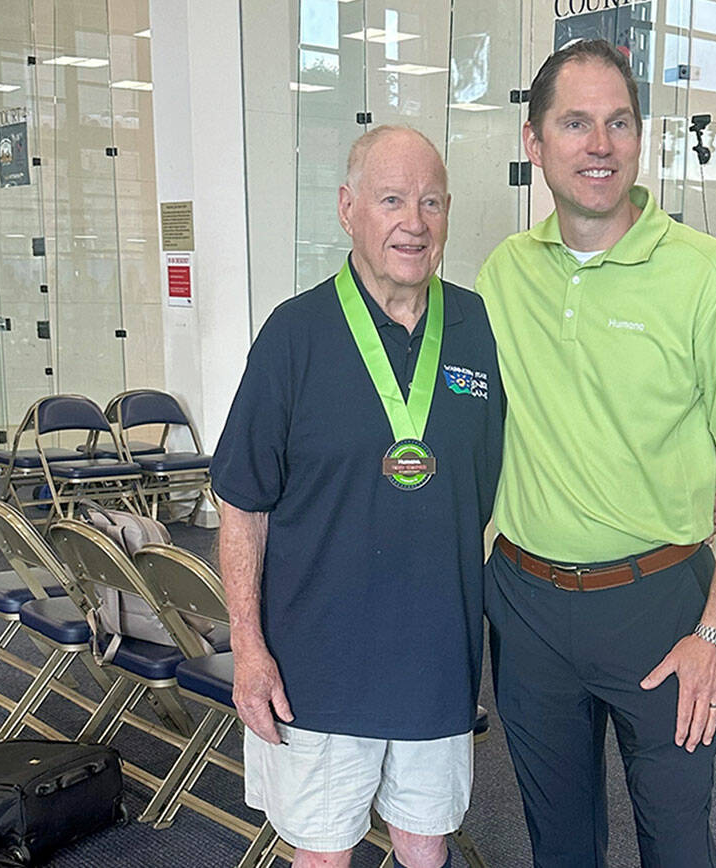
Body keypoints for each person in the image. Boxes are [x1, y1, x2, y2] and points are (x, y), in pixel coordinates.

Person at [475, 39, 716, 868]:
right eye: (575, 123)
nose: (600, 145)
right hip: (527, 605)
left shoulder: (710, 276)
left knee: (677, 843)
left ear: (641, 139)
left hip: (660, 605)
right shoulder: (504, 274)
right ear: (534, 141)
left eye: (619, 123)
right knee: (559, 844)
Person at [211, 126, 504, 868]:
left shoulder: (477, 328)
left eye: (432, 202)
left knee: (425, 844)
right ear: (348, 209)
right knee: (323, 853)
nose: (415, 222)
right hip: (317, 661)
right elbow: (242, 506)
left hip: (437, 656)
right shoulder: (294, 335)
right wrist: (248, 647)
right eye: (392, 200)